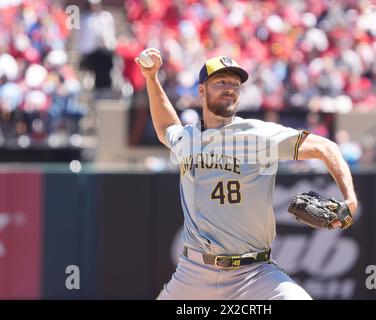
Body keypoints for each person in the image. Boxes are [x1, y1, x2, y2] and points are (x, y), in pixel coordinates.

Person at [135, 49, 358, 300]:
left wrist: (350, 199)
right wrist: (151, 78)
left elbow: (326, 147)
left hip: (254, 274)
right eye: (221, 82)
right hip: (194, 273)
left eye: (235, 84)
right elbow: (166, 127)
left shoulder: (257, 135)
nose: (229, 88)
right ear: (201, 90)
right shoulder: (188, 139)